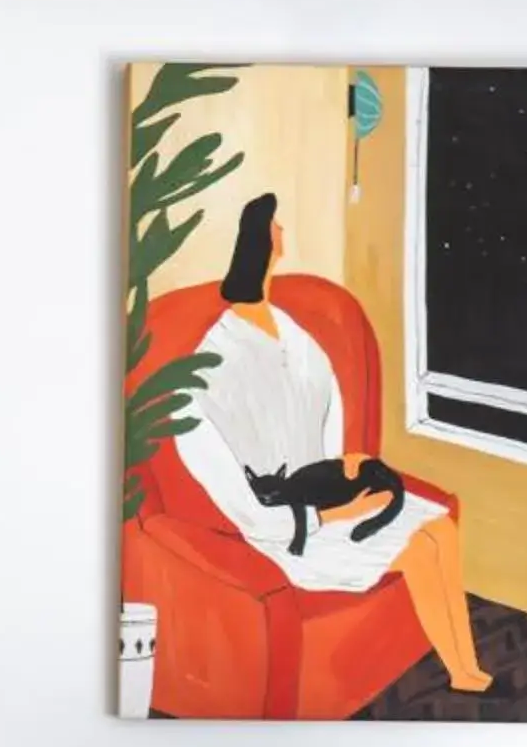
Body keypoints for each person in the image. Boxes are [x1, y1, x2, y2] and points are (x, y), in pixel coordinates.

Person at [172, 194, 491, 694]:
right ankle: (463, 672)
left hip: (327, 493)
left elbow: (328, 414)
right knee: (417, 546)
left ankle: (463, 670)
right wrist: (335, 516)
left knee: (440, 531)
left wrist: (347, 470)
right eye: (276, 226)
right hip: (289, 531)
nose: (284, 234)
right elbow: (250, 510)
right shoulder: (209, 366)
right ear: (262, 242)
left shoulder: (293, 336)